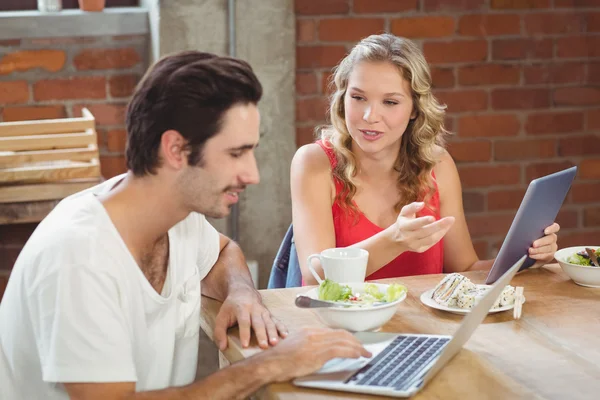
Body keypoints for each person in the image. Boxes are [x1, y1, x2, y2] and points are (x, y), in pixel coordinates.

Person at [0, 51, 370, 400]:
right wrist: (268, 365)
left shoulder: (177, 216)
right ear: (175, 150)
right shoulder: (78, 256)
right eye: (235, 153)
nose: (252, 174)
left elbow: (223, 253)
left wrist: (241, 291)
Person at [291, 34, 560, 285]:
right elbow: (316, 278)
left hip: (424, 331)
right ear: (343, 99)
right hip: (341, 330)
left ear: (414, 109)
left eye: (390, 102)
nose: (369, 115)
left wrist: (525, 260)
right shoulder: (314, 163)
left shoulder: (438, 166)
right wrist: (395, 239)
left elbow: (465, 268)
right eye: (358, 97)